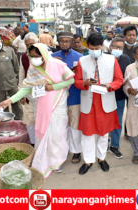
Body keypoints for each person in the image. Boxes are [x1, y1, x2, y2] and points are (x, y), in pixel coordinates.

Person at [0, 43, 75, 177]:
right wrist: (9, 100)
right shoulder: (33, 69)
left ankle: (57, 161)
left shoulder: (58, 65)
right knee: (44, 133)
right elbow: (26, 88)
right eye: (31, 56)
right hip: (41, 104)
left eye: (36, 56)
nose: (34, 59)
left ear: (44, 55)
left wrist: (54, 87)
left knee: (57, 133)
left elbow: (70, 80)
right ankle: (44, 158)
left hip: (58, 104)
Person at [74, 32, 124, 174]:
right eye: (92, 48)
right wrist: (84, 82)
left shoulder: (111, 60)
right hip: (89, 101)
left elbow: (119, 80)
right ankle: (88, 160)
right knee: (87, 134)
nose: (94, 51)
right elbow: (76, 82)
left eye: (97, 48)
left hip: (105, 100)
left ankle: (102, 158)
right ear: (87, 46)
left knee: (103, 133)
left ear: (102, 46)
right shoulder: (82, 61)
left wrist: (110, 86)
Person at [52, 31, 83, 166]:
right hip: (57, 98)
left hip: (75, 97)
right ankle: (61, 153)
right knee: (60, 126)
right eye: (62, 41)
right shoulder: (52, 57)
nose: (64, 43)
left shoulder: (80, 57)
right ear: (58, 42)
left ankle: (76, 151)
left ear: (72, 42)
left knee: (74, 125)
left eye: (67, 41)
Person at [107, 37, 130, 159]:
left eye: (120, 47)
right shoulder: (104, 57)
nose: (117, 49)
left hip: (120, 95)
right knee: (104, 121)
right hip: (105, 95)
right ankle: (104, 144)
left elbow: (127, 74)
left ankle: (114, 146)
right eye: (115, 47)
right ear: (110, 47)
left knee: (118, 122)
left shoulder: (125, 59)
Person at [19, 32, 39, 146]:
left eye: (32, 43)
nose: (30, 46)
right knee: (30, 120)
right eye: (27, 44)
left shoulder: (45, 55)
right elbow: (21, 75)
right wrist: (21, 93)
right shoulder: (23, 57)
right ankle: (32, 144)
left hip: (43, 94)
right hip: (29, 94)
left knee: (42, 121)